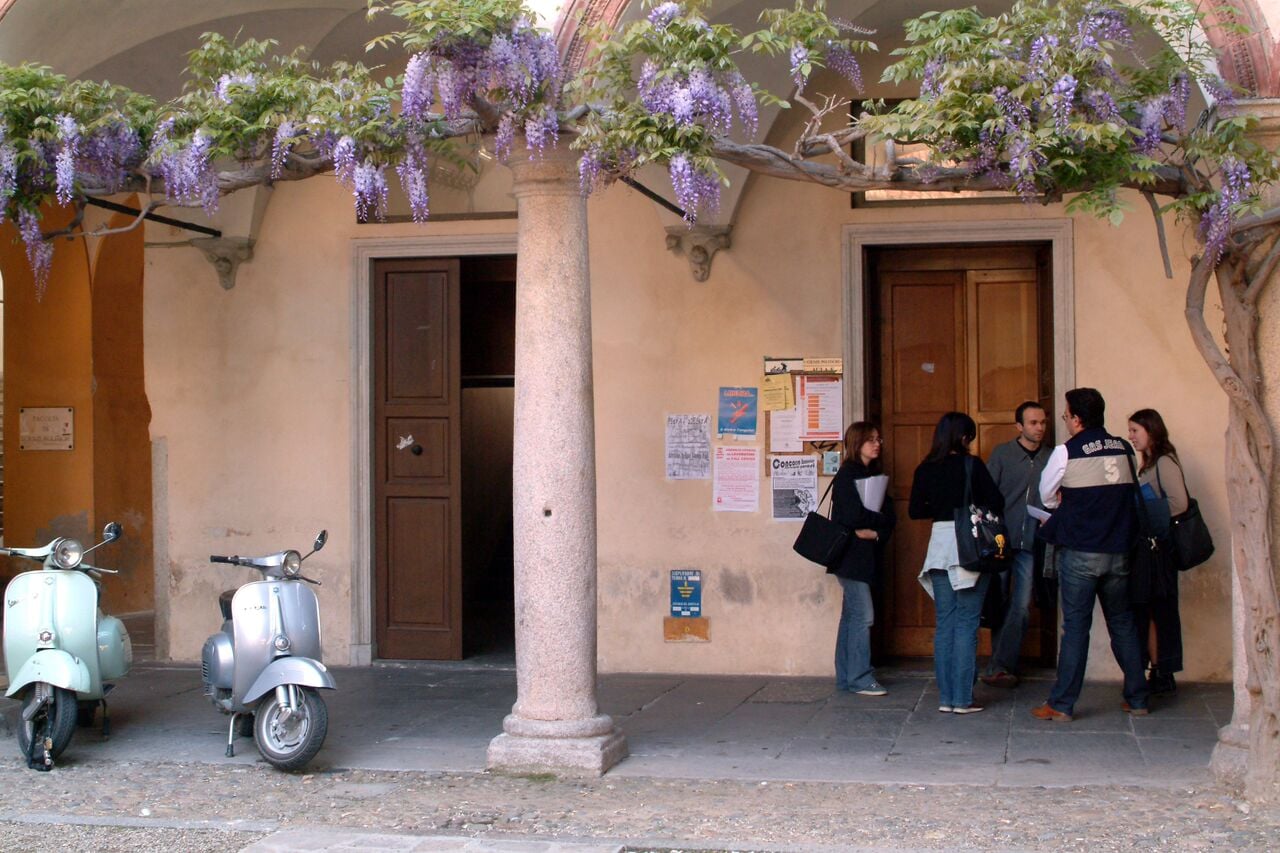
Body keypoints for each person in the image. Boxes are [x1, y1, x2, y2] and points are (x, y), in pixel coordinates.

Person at [1032, 388, 1149, 722]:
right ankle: (1138, 698)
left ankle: (1062, 704)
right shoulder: (1124, 448)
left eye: (1066, 415)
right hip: (1119, 552)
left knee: (1075, 629)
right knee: (1123, 624)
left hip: (1081, 553)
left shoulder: (1065, 451)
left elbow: (1047, 496)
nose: (1065, 420)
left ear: (1078, 419)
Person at [908, 412, 1002, 714]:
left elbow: (915, 510)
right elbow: (996, 502)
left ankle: (946, 698)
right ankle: (963, 698)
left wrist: (941, 508)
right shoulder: (971, 465)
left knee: (945, 623)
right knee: (967, 623)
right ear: (963, 437)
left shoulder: (925, 468)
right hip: (968, 546)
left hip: (939, 547)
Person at [981, 401, 1051, 689]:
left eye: (1043, 422)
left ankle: (1001, 665)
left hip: (1032, 542)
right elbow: (986, 493)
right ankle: (998, 665)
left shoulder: (1052, 457)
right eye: (1033, 423)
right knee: (997, 602)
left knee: (1022, 605)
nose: (1039, 428)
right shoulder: (1002, 454)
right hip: (1001, 540)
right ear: (1019, 426)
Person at [829, 421, 896, 696]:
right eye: (870, 440)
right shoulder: (847, 475)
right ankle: (860, 678)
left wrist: (876, 530)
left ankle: (847, 676)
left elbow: (890, 517)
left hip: (864, 557)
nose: (877, 444)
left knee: (851, 616)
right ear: (857, 443)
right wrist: (877, 520)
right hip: (850, 557)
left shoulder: (872, 474)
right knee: (863, 616)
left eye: (878, 439)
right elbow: (852, 516)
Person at [1128, 408, 1188, 697]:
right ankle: (1156, 668)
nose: (1131, 436)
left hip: (1160, 549)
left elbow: (1179, 503)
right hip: (1148, 548)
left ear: (1151, 430)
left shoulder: (1164, 462)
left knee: (1160, 610)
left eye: (1135, 430)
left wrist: (1151, 515)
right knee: (1148, 609)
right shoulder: (1147, 464)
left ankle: (1164, 671)